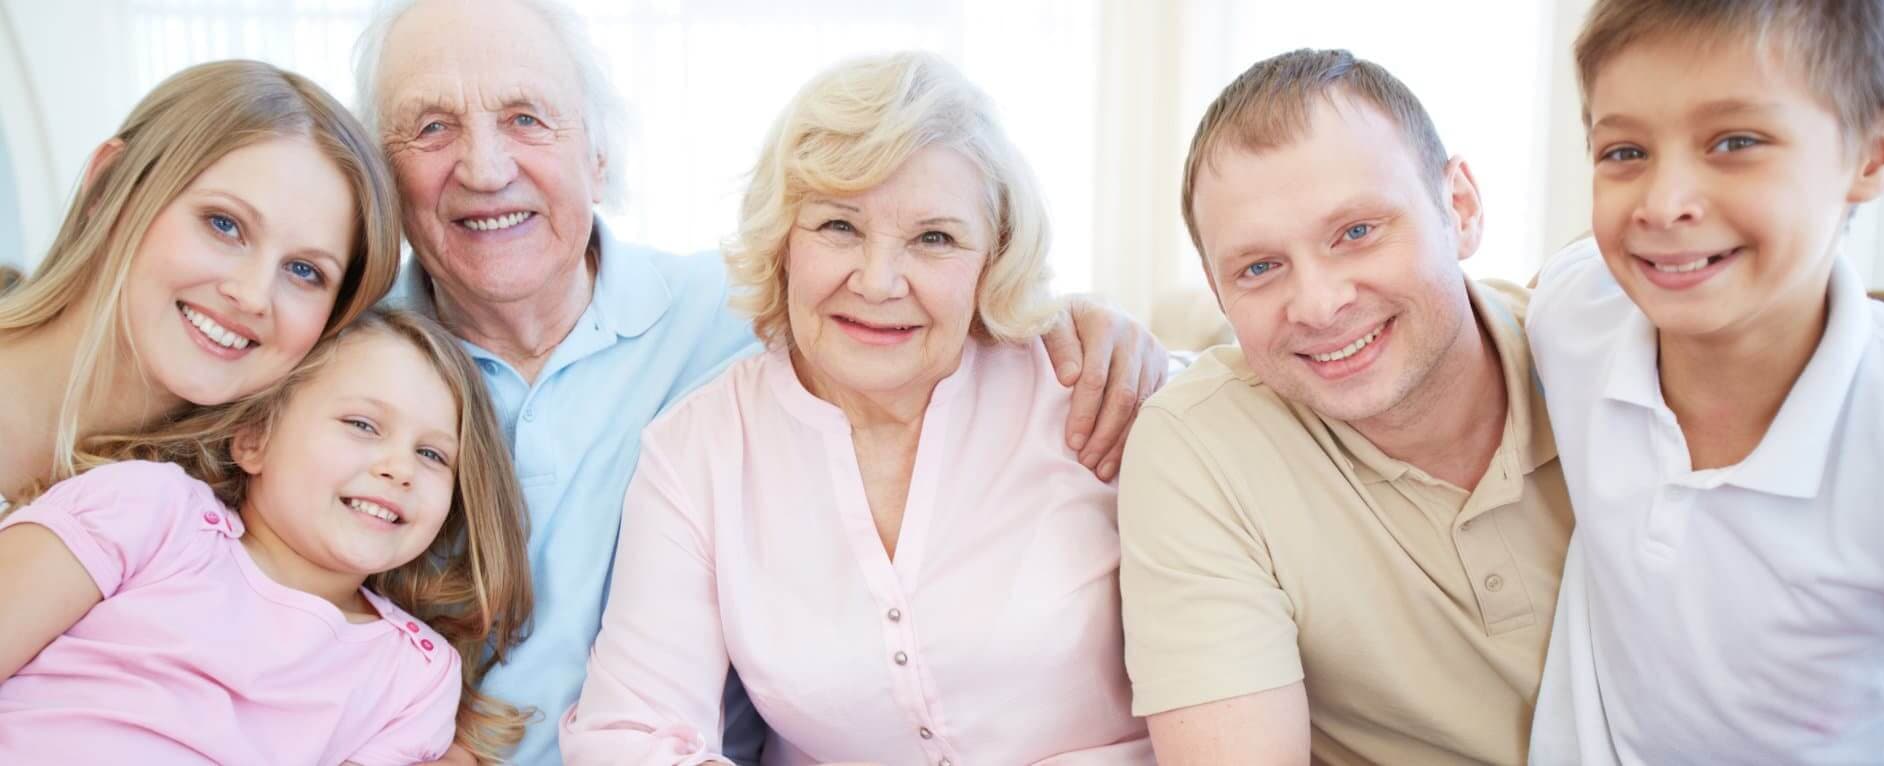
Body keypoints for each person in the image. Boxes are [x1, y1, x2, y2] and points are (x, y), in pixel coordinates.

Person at [353, 1, 1168, 761]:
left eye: (526, 118)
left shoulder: (734, 315)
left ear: (599, 158)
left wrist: (1107, 335)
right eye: (432, 127)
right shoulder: (341, 361)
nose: (485, 167)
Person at [559, 52, 1154, 766]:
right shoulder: (699, 449)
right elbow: (630, 734)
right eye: (839, 226)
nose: (877, 282)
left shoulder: (1090, 386)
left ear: (991, 259)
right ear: (783, 242)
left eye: (934, 238)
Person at [1118, 49, 1575, 764]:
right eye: (1259, 268)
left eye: (1357, 232)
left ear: (1459, 208)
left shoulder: (1607, 356)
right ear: (1217, 290)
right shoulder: (1199, 445)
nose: (1319, 304)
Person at [1527, 1, 1884, 761]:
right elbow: (1563, 271)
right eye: (1625, 152)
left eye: (1736, 142)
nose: (1663, 205)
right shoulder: (1573, 320)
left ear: (1875, 151)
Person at [0, 307, 533, 765]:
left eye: (432, 454)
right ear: (255, 438)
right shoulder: (150, 510)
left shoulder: (412, 675)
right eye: (362, 425)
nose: (400, 469)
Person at [0, 59, 401, 500]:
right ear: (110, 186)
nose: (253, 295)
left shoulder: (230, 516)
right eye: (224, 225)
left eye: (304, 271)